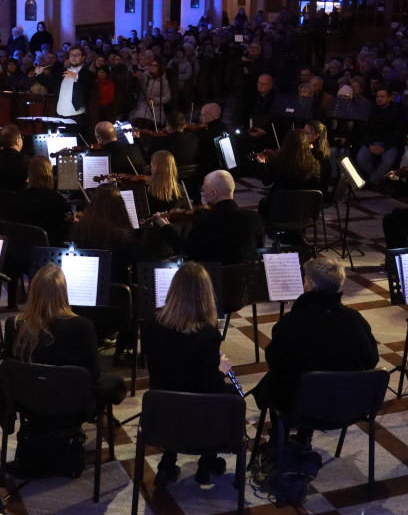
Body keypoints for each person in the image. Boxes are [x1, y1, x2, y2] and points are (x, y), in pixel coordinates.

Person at [253, 257, 379, 443]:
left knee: (274, 381)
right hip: (348, 406)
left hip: (302, 407)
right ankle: (304, 438)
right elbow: (371, 360)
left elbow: (276, 362)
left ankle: (279, 442)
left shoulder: (293, 322)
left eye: (305, 279)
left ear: (311, 284)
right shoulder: (356, 320)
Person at [141, 262, 238, 486]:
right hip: (196, 415)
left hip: (162, 410)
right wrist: (221, 370)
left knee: (177, 392)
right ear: (205, 295)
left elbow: (166, 369)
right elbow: (210, 387)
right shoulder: (208, 334)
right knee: (229, 397)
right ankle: (208, 460)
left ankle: (167, 463)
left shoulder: (151, 325)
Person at [1, 263, 126, 423]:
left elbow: (11, 370)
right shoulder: (83, 327)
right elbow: (93, 376)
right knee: (116, 384)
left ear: (33, 292)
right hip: (72, 407)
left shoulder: (14, 324)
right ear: (63, 293)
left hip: (30, 403)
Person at [154, 170, 264, 266]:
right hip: (243, 279)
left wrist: (165, 227)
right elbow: (259, 253)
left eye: (205, 190)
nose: (204, 195)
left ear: (214, 193)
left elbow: (186, 251)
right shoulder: (255, 218)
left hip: (212, 279)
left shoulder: (205, 220)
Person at [11, 155, 71, 247]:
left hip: (24, 249)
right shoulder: (56, 199)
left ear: (30, 173)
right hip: (51, 249)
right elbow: (65, 230)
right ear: (49, 174)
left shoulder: (18, 197)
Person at [356, 88, 406, 185]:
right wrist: (370, 145)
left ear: (389, 98)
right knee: (361, 158)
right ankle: (377, 179)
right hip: (372, 142)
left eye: (382, 96)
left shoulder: (397, 112)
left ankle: (371, 181)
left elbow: (398, 134)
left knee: (388, 161)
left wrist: (384, 147)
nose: (379, 99)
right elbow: (364, 130)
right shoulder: (370, 110)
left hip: (388, 143)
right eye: (377, 96)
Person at [48, 46, 94, 140]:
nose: (74, 57)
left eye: (77, 55)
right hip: (59, 114)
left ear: (83, 58)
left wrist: (76, 76)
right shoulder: (62, 72)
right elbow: (49, 84)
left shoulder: (88, 74)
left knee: (78, 143)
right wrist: (40, 74)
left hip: (77, 116)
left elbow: (90, 87)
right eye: (71, 55)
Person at [0, 123, 28, 191]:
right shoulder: (24, 159)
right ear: (18, 141)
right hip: (20, 196)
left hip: (1, 196)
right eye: (21, 138)